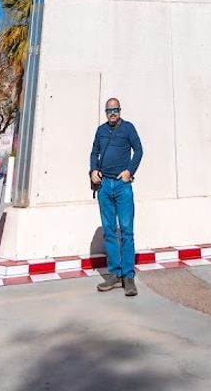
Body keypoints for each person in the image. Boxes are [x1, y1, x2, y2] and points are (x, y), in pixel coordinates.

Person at [89, 97, 143, 296]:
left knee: (127, 231)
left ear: (120, 110)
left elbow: (139, 150)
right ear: (105, 112)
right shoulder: (101, 130)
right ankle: (114, 274)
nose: (112, 113)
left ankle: (128, 277)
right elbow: (94, 152)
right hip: (104, 186)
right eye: (109, 110)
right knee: (110, 231)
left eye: (116, 110)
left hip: (122, 186)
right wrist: (94, 169)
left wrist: (129, 171)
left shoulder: (128, 128)